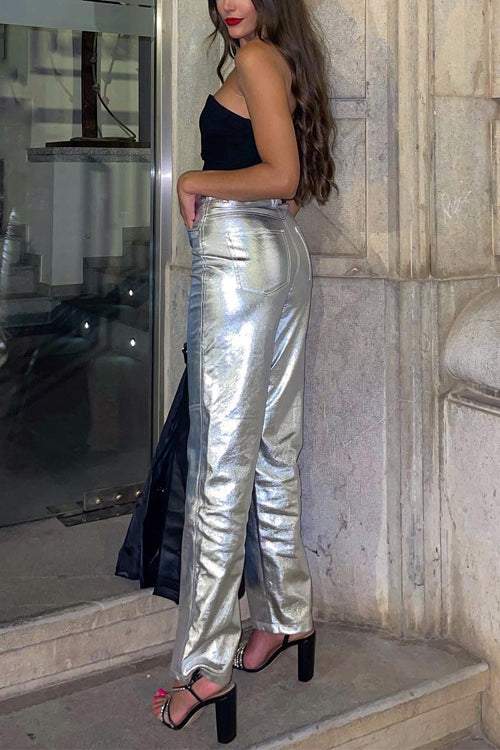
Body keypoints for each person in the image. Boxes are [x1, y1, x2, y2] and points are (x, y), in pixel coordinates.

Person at [153, 0, 337, 742]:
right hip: (279, 257)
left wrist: (193, 178)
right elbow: (290, 186)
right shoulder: (277, 60)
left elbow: (281, 174)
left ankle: (206, 665)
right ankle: (287, 615)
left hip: (240, 261)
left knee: (219, 467)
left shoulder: (258, 58)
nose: (229, 1)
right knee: (271, 451)